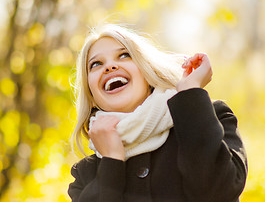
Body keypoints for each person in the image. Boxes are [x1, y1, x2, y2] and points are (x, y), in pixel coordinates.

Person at [68, 24, 247, 202]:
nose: (110, 67)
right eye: (96, 64)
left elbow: (219, 192)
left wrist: (189, 92)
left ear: (147, 70)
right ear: (91, 95)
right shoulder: (84, 175)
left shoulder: (211, 118)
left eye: (124, 55)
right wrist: (112, 161)